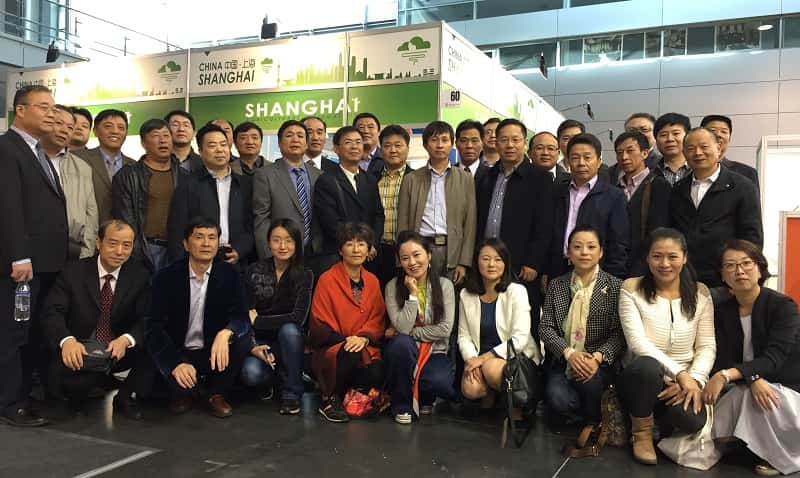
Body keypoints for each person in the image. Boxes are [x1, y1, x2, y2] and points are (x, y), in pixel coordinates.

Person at [618, 227, 716, 466]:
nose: (664, 264)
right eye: (657, 256)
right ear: (647, 258)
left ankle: (660, 420)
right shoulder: (631, 289)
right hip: (643, 375)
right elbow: (637, 343)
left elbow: (706, 345)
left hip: (685, 381)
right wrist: (680, 374)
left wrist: (695, 380)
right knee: (647, 367)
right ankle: (641, 433)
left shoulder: (701, 293)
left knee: (692, 420)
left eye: (672, 256)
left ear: (684, 258)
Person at [702, 240, 800, 476]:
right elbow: (723, 357)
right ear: (722, 275)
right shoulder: (722, 311)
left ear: (760, 268)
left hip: (786, 385)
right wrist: (752, 377)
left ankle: (778, 455)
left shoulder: (782, 306)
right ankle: (747, 444)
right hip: (746, 384)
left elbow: (774, 358)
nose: (739, 271)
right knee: (712, 436)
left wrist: (735, 375)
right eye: (730, 265)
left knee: (756, 398)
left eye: (746, 263)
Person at [0, 85, 66, 427]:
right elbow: (8, 207)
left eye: (53, 107)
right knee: (15, 333)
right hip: (23, 268)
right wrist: (19, 257)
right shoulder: (7, 149)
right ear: (20, 110)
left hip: (48, 265)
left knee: (33, 332)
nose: (51, 114)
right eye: (43, 107)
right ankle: (10, 402)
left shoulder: (40, 152)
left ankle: (25, 393)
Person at [40, 220, 152, 419]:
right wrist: (67, 341)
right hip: (81, 349)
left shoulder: (140, 276)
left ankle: (125, 397)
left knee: (153, 346)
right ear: (99, 243)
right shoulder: (74, 271)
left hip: (118, 350)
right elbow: (52, 312)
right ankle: (94, 384)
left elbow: (147, 318)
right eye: (113, 243)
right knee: (69, 394)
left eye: (126, 245)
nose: (119, 251)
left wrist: (126, 339)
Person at [145, 218, 250, 418]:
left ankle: (216, 394)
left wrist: (226, 333)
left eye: (212, 238)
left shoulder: (230, 274)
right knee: (174, 387)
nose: (206, 243)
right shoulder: (166, 277)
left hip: (213, 352)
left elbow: (242, 318)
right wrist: (174, 363)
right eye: (199, 237)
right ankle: (186, 391)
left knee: (241, 340)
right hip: (180, 351)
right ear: (186, 244)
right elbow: (153, 327)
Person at [476, 118, 554, 340]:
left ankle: (524, 362)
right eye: (504, 140)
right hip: (489, 262)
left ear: (524, 143)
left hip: (521, 265)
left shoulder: (540, 178)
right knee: (491, 318)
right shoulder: (486, 176)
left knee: (523, 322)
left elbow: (544, 225)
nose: (510, 145)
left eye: (515, 140)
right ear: (496, 143)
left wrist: (534, 262)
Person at [539, 227, 624, 425]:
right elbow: (546, 328)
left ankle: (592, 417)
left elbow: (619, 334)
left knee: (590, 381)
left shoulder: (615, 286)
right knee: (558, 399)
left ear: (601, 252)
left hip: (598, 362)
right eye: (577, 247)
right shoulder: (557, 285)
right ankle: (588, 412)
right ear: (569, 252)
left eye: (591, 247)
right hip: (564, 361)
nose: (584, 252)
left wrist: (597, 358)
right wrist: (569, 354)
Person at [309, 223, 386, 423]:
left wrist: (363, 338)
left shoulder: (373, 281)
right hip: (333, 347)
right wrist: (348, 340)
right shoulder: (327, 279)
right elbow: (318, 325)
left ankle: (352, 398)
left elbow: (378, 318)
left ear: (369, 250)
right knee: (350, 352)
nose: (356, 249)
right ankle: (329, 399)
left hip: (364, 345)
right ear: (340, 250)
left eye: (361, 244)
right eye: (349, 244)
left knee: (377, 369)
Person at [669, 127, 763, 287]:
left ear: (718, 148)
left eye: (704, 147)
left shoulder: (742, 187)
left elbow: (752, 236)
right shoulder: (678, 189)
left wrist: (741, 277)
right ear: (684, 153)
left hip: (725, 280)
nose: (698, 153)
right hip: (684, 278)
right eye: (690, 149)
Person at [241, 219, 313, 415]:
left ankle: (292, 393)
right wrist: (253, 346)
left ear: (296, 244)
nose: (282, 246)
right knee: (251, 374)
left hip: (291, 343)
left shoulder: (305, 274)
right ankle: (277, 378)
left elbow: (298, 318)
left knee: (290, 330)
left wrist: (259, 321)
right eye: (276, 240)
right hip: (261, 343)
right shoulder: (254, 271)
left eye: (288, 240)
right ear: (268, 242)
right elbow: (245, 314)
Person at [384, 231, 456, 424]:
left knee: (441, 383)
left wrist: (411, 332)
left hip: (435, 351)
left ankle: (422, 395)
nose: (412, 262)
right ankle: (401, 405)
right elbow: (402, 327)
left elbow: (444, 329)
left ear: (429, 255)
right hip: (405, 352)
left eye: (417, 255)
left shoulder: (445, 285)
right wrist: (413, 294)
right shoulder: (392, 286)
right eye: (405, 258)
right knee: (402, 343)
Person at [458, 239, 541, 405]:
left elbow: (520, 339)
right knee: (471, 388)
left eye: (498, 259)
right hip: (480, 358)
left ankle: (516, 406)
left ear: (505, 264)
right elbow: (463, 336)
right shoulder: (466, 294)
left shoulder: (517, 291)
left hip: (515, 358)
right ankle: (494, 396)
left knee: (490, 368)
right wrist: (472, 360)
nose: (491, 264)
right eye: (485, 258)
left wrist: (484, 359)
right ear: (477, 262)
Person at [397, 121, 476, 285]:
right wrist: (403, 258)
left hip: (452, 250)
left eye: (445, 140)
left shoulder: (465, 178)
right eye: (434, 140)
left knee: (449, 297)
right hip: (420, 249)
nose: (440, 145)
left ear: (452, 144)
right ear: (425, 145)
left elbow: (470, 222)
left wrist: (464, 262)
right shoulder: (411, 179)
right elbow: (403, 221)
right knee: (421, 295)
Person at [167, 123, 253, 266]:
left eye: (223, 144)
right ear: (200, 151)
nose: (219, 150)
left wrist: (240, 250)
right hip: (197, 261)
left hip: (236, 260)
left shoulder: (245, 184)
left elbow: (251, 225)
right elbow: (177, 229)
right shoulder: (188, 184)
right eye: (212, 145)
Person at [547, 133, 629, 279]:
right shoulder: (557, 192)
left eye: (587, 157)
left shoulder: (614, 196)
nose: (581, 163)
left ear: (599, 161)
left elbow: (618, 242)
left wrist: (612, 277)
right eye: (575, 158)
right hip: (558, 269)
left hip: (597, 272)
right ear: (568, 161)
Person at [112, 118, 188, 272]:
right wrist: (135, 251)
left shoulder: (184, 176)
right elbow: (125, 217)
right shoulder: (129, 175)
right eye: (155, 136)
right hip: (144, 249)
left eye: (166, 135)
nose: (162, 140)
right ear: (143, 143)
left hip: (178, 250)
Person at [253, 120, 323, 274]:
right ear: (279, 143)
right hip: (281, 253)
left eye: (300, 136)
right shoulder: (265, 175)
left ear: (306, 144)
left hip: (315, 253)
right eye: (289, 135)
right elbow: (261, 219)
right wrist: (268, 257)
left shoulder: (319, 175)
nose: (295, 139)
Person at [314, 126, 384, 274]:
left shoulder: (370, 179)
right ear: (336, 149)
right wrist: (355, 246)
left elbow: (378, 215)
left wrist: (371, 244)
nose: (354, 146)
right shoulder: (326, 180)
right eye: (348, 142)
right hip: (339, 254)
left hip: (369, 255)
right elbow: (330, 222)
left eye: (358, 142)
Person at [41, 105, 99, 260]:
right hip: (33, 245)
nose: (65, 130)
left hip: (71, 248)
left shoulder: (82, 167)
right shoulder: (28, 158)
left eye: (70, 127)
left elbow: (91, 213)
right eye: (59, 123)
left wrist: (87, 252)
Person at [611, 131, 670, 277]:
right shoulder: (613, 187)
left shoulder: (658, 185)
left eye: (630, 151)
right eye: (619, 152)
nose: (624, 157)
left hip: (644, 266)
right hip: (616, 264)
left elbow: (658, 230)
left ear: (644, 153)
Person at [80, 109, 135, 225]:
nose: (115, 131)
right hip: (88, 229)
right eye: (108, 126)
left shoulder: (134, 166)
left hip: (125, 232)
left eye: (121, 128)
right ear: (95, 131)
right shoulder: (79, 159)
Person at [376, 125, 413, 287]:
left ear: (407, 148)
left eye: (398, 145)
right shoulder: (371, 179)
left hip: (405, 251)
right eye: (387, 145)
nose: (393, 150)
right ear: (381, 150)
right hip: (377, 251)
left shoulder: (417, 179)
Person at [700, 114, 760, 191]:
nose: (718, 134)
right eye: (713, 130)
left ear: (729, 139)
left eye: (724, 131)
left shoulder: (747, 173)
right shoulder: (690, 171)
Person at [652, 113, 692, 187]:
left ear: (688, 137)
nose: (670, 139)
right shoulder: (650, 173)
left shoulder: (699, 168)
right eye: (663, 135)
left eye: (676, 133)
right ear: (656, 141)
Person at [354, 112, 383, 176]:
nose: (366, 131)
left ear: (379, 132)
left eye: (370, 127)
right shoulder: (346, 159)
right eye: (361, 127)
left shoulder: (387, 159)